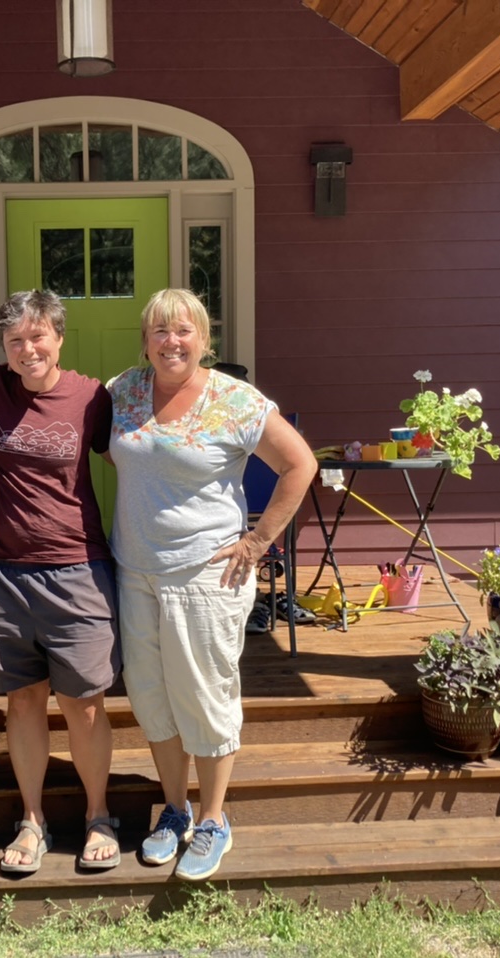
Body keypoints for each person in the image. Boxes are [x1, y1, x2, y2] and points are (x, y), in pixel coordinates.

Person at [106, 288, 317, 882]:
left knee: (204, 696)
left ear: (203, 339)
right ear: (145, 340)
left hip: (206, 575)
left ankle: (213, 818)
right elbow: (119, 457)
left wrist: (256, 541)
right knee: (154, 698)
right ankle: (174, 811)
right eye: (159, 331)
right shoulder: (123, 390)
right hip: (135, 572)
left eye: (183, 331)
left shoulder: (235, 401)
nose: (171, 342)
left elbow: (301, 465)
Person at [0, 290, 122, 874]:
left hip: (78, 570)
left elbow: (133, 457)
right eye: (15, 340)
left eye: (38, 336)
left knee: (85, 704)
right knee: (22, 703)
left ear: (58, 336)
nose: (28, 350)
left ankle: (98, 815)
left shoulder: (91, 397)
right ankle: (33, 820)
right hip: (2, 573)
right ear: (4, 346)